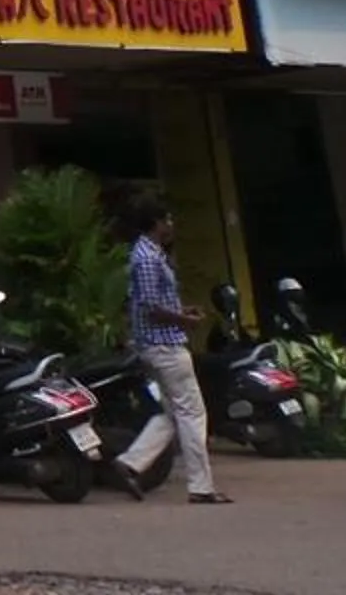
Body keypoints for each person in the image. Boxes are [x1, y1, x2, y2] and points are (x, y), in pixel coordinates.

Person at [126, 198, 227, 506]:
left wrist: (182, 310)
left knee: (174, 412)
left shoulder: (152, 254)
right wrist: (185, 320)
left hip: (159, 342)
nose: (171, 225)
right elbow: (150, 307)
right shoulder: (147, 258)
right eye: (167, 220)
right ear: (156, 223)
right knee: (193, 412)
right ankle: (201, 487)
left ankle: (130, 462)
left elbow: (154, 301)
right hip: (164, 345)